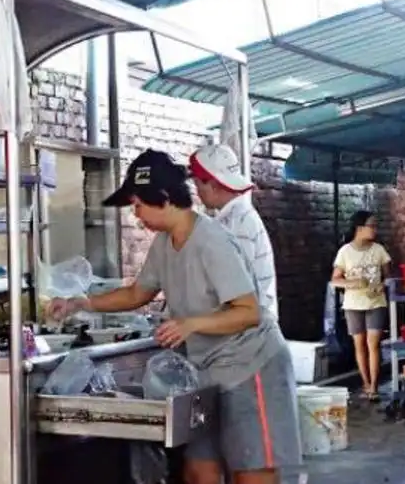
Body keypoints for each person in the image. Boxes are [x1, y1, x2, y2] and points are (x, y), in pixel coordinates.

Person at [48, 149, 301, 484]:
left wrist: (191, 324)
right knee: (199, 470)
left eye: (138, 205)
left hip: (251, 366)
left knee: (252, 472)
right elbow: (138, 293)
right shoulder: (165, 243)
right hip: (205, 372)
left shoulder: (212, 241)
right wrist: (81, 302)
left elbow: (249, 312)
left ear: (164, 198)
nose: (136, 215)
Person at [187, 144, 278, 322]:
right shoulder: (233, 218)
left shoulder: (239, 224)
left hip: (251, 334)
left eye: (198, 185)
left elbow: (235, 289)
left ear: (213, 184)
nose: (197, 192)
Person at [330, 211, 391, 402]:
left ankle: (374, 386)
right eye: (371, 225)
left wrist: (381, 285)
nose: (375, 229)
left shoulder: (379, 250)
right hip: (353, 304)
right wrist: (354, 283)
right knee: (359, 344)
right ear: (359, 228)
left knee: (373, 344)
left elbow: (388, 276)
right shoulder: (345, 252)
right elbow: (335, 280)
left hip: (376, 302)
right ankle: (365, 382)